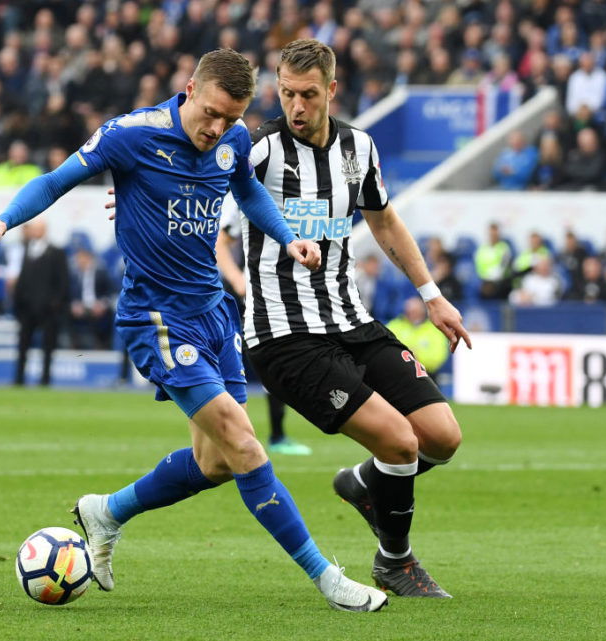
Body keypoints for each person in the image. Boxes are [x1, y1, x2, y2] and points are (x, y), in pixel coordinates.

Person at [0, 48, 386, 612]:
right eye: (210, 112)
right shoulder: (130, 135)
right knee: (244, 445)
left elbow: (248, 191)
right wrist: (4, 221)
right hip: (157, 318)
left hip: (213, 314)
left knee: (215, 462)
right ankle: (326, 577)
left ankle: (106, 511)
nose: (217, 128)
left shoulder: (234, 140)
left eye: (230, 118)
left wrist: (288, 238)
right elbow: (57, 179)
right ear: (189, 89)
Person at [218, 39, 471, 598]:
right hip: (285, 337)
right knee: (402, 443)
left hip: (351, 322)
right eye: (286, 94)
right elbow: (204, 203)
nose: (296, 107)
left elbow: (384, 223)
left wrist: (432, 295)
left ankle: (364, 484)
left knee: (442, 437)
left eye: (308, 95)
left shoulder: (359, 148)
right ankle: (395, 562)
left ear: (332, 90)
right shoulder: (257, 149)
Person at [216, 223, 312, 456]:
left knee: (277, 368)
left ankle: (274, 435)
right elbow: (220, 241)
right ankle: (226, 435)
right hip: (253, 303)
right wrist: (238, 280)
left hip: (281, 301)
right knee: (233, 366)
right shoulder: (249, 194)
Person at [12, 220, 69, 386]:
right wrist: (18, 301)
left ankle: (45, 379)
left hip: (48, 309)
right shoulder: (26, 249)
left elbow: (63, 281)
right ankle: (19, 378)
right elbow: (22, 279)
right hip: (27, 307)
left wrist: (56, 303)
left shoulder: (56, 252)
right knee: (23, 345)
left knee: (48, 346)